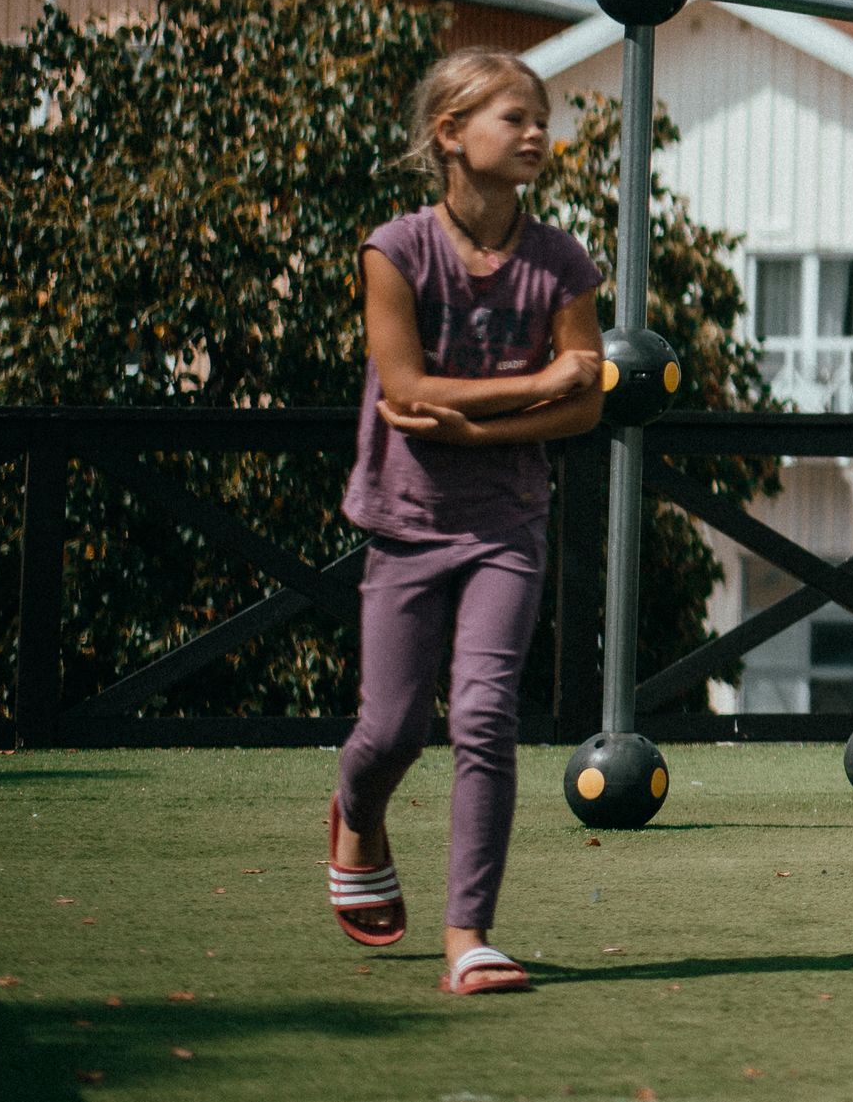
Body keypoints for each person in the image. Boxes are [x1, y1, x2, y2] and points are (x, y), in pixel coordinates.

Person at [325, 49, 604, 996]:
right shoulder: (394, 249)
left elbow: (588, 405)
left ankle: (468, 935)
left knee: (486, 716)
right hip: (405, 521)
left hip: (507, 527)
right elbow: (404, 390)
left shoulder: (563, 261)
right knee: (393, 727)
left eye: (540, 117)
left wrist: (477, 420)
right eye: (512, 117)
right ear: (450, 134)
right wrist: (535, 384)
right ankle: (355, 811)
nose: (536, 132)